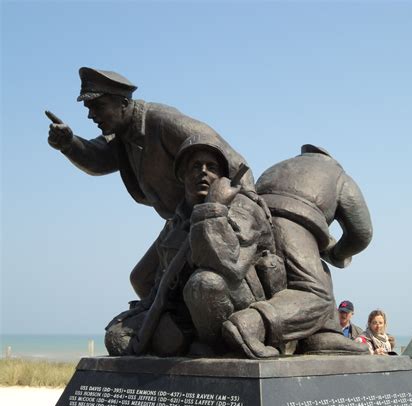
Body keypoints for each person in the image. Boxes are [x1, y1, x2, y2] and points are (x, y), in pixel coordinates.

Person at [46, 67, 254, 300]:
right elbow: (97, 159)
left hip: (210, 219)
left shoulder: (164, 122)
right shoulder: (123, 136)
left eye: (97, 107)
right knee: (142, 279)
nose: (91, 115)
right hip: (180, 221)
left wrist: (244, 219)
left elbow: (237, 165)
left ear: (123, 103)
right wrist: (69, 144)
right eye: (89, 109)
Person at [105, 135, 276, 357]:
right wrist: (151, 312)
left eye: (211, 167)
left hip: (237, 303)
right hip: (186, 311)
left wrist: (213, 208)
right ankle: (188, 340)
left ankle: (218, 346)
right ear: (182, 175)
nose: (203, 172)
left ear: (222, 177)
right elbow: (162, 278)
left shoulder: (243, 209)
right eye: (195, 166)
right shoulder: (175, 222)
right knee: (116, 337)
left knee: (204, 283)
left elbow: (230, 267)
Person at [221, 144, 373, 357]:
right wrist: (337, 253)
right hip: (293, 225)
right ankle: (251, 324)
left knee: (319, 274)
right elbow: (362, 234)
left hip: (254, 223)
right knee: (316, 295)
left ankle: (322, 335)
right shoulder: (337, 174)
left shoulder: (278, 166)